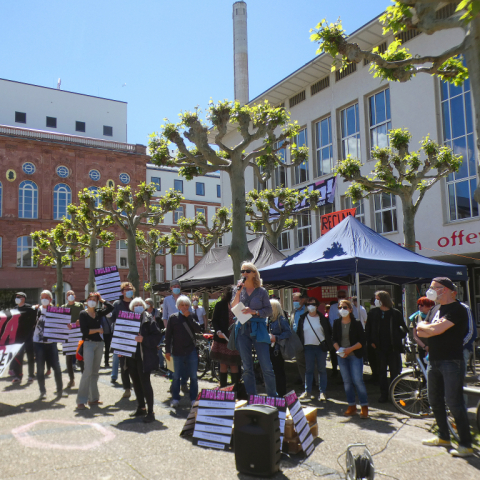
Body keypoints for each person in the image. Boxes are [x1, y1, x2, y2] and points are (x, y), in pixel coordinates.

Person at [417, 277, 473, 457]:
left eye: (434, 287)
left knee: (454, 402)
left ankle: (465, 444)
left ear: (446, 290)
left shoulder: (458, 309)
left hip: (452, 361)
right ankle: (443, 436)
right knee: (435, 400)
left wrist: (428, 327)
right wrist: (427, 326)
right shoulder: (434, 309)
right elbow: (419, 330)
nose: (430, 290)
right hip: (433, 360)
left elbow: (434, 330)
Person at [232, 262, 276, 397]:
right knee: (246, 366)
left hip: (259, 328)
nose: (244, 273)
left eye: (248, 271)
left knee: (266, 365)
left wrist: (254, 312)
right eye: (242, 271)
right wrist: (239, 291)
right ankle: (252, 396)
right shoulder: (237, 289)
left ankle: (272, 397)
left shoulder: (261, 291)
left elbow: (269, 310)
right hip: (242, 329)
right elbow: (233, 307)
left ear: (254, 273)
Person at [365, 290, 407, 403]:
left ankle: (395, 393)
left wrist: (398, 338)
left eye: (377, 298)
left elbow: (403, 328)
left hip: (393, 348)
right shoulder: (373, 313)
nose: (375, 301)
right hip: (379, 348)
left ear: (383, 299)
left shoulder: (395, 313)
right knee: (381, 372)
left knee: (395, 372)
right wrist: (371, 341)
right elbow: (368, 329)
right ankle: (383, 394)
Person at [125, 297, 162, 422]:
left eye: (140, 304)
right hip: (131, 356)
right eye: (135, 305)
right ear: (131, 308)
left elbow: (157, 335)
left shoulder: (148, 318)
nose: (138, 306)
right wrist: (120, 350)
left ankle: (151, 412)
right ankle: (141, 408)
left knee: (145, 383)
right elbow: (121, 335)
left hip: (143, 356)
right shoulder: (127, 318)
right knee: (135, 382)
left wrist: (144, 340)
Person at [76, 292, 113, 410]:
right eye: (90, 299)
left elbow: (111, 307)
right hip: (88, 344)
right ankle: (81, 400)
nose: (92, 301)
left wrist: (102, 300)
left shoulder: (98, 312)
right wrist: (98, 330)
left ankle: (93, 398)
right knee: (87, 371)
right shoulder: (83, 314)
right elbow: (85, 331)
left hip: (99, 344)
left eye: (94, 299)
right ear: (86, 301)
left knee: (95, 372)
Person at [332, 299, 369, 418]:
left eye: (345, 307)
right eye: (340, 307)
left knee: (358, 380)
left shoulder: (356, 323)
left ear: (350, 309)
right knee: (347, 382)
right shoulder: (337, 323)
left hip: (354, 355)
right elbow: (333, 339)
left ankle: (364, 406)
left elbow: (362, 341)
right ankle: (351, 406)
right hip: (342, 356)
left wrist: (349, 349)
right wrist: (339, 350)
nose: (342, 310)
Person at [165, 295, 202, 407]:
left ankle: (193, 399)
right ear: (178, 306)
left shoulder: (192, 315)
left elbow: (199, 329)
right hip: (176, 351)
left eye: (186, 305)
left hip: (191, 350)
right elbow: (168, 336)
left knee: (194, 377)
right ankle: (175, 398)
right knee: (176, 377)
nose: (185, 307)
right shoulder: (173, 318)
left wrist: (189, 318)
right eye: (182, 305)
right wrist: (167, 351)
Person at [297, 297, 332, 402]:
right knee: (309, 370)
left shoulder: (322, 318)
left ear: (317, 306)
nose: (310, 306)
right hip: (308, 347)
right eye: (308, 304)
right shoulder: (303, 318)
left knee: (321, 369)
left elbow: (328, 332)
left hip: (320, 347)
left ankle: (322, 392)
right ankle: (307, 391)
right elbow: (299, 333)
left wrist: (328, 344)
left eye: (312, 304)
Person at [33, 290, 66, 399]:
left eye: (47, 297)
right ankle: (42, 391)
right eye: (42, 297)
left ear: (51, 299)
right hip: (38, 343)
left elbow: (63, 325)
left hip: (51, 343)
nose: (44, 299)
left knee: (56, 367)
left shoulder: (56, 311)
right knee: (40, 368)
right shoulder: (37, 310)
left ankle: (60, 390)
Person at [210, 287, 241, 388]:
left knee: (234, 364)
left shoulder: (240, 305)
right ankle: (223, 388)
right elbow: (214, 320)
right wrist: (218, 331)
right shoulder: (220, 305)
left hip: (235, 339)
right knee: (223, 363)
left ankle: (235, 390)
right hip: (222, 339)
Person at [111, 282, 135, 398]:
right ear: (122, 292)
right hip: (122, 339)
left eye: (130, 289)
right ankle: (127, 388)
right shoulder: (117, 304)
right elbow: (113, 319)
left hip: (135, 338)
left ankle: (137, 386)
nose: (128, 291)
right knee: (123, 365)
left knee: (135, 365)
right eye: (126, 289)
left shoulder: (137, 303)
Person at [10, 292, 37, 384]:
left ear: (23, 298)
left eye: (19, 297)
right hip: (18, 337)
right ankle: (18, 376)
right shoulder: (14, 309)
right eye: (16, 297)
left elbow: (37, 315)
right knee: (18, 356)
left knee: (30, 357)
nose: (17, 298)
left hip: (29, 336)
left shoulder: (30, 308)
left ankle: (31, 376)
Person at [268, 299, 292, 397]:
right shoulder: (268, 320)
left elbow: (288, 333)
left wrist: (276, 338)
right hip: (269, 349)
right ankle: (274, 393)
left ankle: (281, 394)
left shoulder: (281, 319)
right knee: (271, 372)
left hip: (278, 350)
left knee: (279, 372)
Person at [62, 290, 84, 388]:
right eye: (68, 295)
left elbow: (84, 316)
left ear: (75, 296)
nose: (70, 296)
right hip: (68, 334)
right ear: (66, 297)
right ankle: (71, 380)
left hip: (78, 333)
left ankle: (84, 380)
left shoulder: (80, 306)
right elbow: (61, 320)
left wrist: (80, 320)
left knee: (80, 357)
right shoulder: (63, 307)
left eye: (72, 294)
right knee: (68, 358)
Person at [409, 297, 435, 363]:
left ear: (429, 306)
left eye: (422, 305)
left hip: (435, 348)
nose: (419, 307)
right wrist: (425, 347)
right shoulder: (416, 317)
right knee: (424, 369)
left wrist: (430, 348)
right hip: (421, 348)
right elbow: (415, 335)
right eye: (419, 305)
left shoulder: (436, 316)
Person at [291, 292, 307, 386]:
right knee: (300, 362)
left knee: (310, 361)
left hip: (306, 339)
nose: (295, 302)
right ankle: (304, 381)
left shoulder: (307, 310)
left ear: (302, 300)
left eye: (296, 300)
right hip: (296, 339)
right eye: (293, 301)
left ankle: (315, 382)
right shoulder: (293, 311)